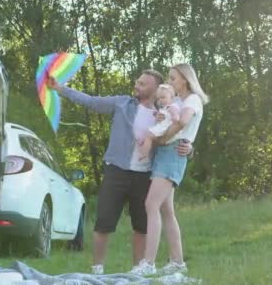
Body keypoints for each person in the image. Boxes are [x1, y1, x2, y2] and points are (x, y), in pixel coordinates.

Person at [45, 70, 192, 274]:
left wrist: (189, 148)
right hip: (116, 171)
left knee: (142, 226)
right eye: (137, 81)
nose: (136, 85)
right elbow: (90, 101)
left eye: (142, 83)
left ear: (154, 88)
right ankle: (97, 269)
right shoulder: (122, 103)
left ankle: (138, 270)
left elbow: (180, 134)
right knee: (104, 222)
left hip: (145, 175)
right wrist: (60, 88)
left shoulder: (166, 112)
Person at [130, 63, 209, 276]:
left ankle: (148, 263)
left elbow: (183, 122)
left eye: (173, 78)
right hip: (166, 153)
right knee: (166, 211)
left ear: (185, 79)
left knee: (151, 204)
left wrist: (163, 138)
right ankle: (177, 262)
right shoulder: (177, 100)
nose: (171, 81)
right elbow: (167, 116)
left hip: (173, 152)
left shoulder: (191, 100)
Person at [137, 84, 180, 161]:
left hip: (165, 127)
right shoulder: (165, 107)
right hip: (162, 126)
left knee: (148, 135)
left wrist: (174, 119)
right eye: (159, 98)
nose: (160, 100)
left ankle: (145, 154)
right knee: (147, 134)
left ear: (172, 97)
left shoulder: (170, 107)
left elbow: (176, 117)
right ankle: (144, 146)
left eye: (163, 97)